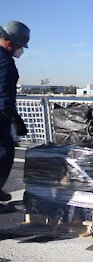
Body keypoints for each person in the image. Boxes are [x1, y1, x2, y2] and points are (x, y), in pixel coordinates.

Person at [0, 21, 29, 202]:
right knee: (5, 152)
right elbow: (3, 96)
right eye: (19, 46)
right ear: (11, 43)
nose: (20, 51)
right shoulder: (5, 63)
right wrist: (15, 119)